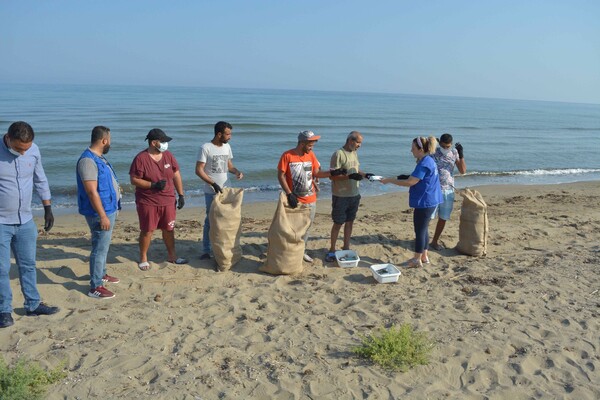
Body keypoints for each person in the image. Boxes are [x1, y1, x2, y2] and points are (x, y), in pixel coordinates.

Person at [0, 122, 59, 328]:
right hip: (1, 223)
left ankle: (33, 305)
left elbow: (40, 179)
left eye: (26, 148)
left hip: (25, 220)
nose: (23, 153)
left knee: (28, 265)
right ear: (8, 138)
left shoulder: (33, 151)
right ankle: (4, 310)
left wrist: (48, 207)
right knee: (2, 268)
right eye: (19, 149)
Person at [277, 130, 347, 263]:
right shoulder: (287, 155)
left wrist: (334, 172)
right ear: (302, 143)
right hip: (295, 200)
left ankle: (301, 251)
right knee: (292, 228)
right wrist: (289, 193)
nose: (312, 147)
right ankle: (289, 252)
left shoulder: (311, 155)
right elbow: (280, 175)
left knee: (307, 228)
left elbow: (317, 173)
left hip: (311, 199)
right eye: (310, 145)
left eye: (313, 145)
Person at [129, 128, 187, 271]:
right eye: (163, 141)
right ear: (154, 142)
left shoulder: (168, 156)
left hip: (168, 199)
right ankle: (143, 257)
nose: (165, 144)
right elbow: (134, 179)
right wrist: (152, 185)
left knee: (169, 229)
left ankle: (172, 256)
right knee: (147, 230)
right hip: (148, 201)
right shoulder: (141, 158)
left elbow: (176, 174)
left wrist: (181, 194)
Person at [381, 136, 443, 268]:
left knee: (419, 230)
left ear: (421, 149)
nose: (411, 151)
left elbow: (410, 182)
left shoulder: (425, 163)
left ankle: (416, 259)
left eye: (413, 148)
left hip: (425, 201)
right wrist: (399, 177)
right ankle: (424, 256)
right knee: (424, 228)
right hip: (431, 199)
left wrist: (390, 180)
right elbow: (416, 177)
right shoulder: (429, 160)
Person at [76, 126, 121, 299]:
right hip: (99, 212)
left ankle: (101, 274)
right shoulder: (88, 161)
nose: (110, 142)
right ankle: (95, 286)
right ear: (104, 140)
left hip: (108, 208)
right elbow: (91, 191)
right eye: (109, 139)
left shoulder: (99, 158)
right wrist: (102, 215)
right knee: (99, 248)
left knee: (104, 245)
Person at [195, 121, 243, 260]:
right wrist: (212, 183)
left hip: (226, 189)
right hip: (211, 191)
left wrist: (237, 171)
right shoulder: (206, 148)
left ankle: (222, 247)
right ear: (219, 134)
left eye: (230, 134)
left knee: (225, 219)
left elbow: (229, 166)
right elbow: (198, 170)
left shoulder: (227, 147)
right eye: (228, 134)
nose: (230, 137)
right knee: (210, 220)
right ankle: (206, 250)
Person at [325, 131, 373, 262]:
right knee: (338, 223)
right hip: (340, 195)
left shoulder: (354, 153)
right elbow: (332, 176)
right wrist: (349, 176)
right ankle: (332, 249)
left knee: (350, 222)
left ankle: (346, 247)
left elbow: (356, 170)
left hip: (354, 194)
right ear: (350, 140)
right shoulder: (338, 154)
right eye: (358, 142)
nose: (359, 145)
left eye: (360, 143)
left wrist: (365, 175)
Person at [430, 133, 467, 250]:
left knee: (443, 217)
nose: (446, 149)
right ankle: (422, 238)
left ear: (451, 145)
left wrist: (461, 155)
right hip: (434, 189)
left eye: (448, 146)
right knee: (428, 217)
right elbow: (420, 161)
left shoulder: (454, 153)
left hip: (448, 190)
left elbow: (462, 171)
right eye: (443, 146)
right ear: (439, 143)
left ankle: (434, 241)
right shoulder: (433, 152)